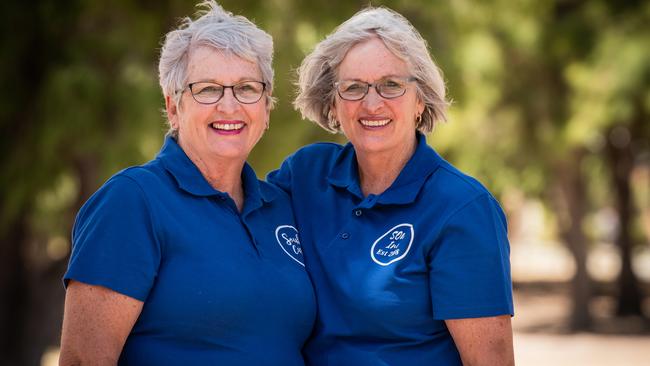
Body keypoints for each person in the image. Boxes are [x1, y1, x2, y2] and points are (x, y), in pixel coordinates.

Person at [59, 2, 315, 365]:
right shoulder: (133, 201)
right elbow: (84, 360)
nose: (230, 107)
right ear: (174, 107)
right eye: (208, 89)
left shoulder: (283, 207)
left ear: (267, 108)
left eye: (246, 88)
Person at [267, 6, 514, 366]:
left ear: (420, 100)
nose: (371, 102)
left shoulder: (461, 208)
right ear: (333, 104)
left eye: (391, 85)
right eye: (353, 87)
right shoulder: (304, 176)